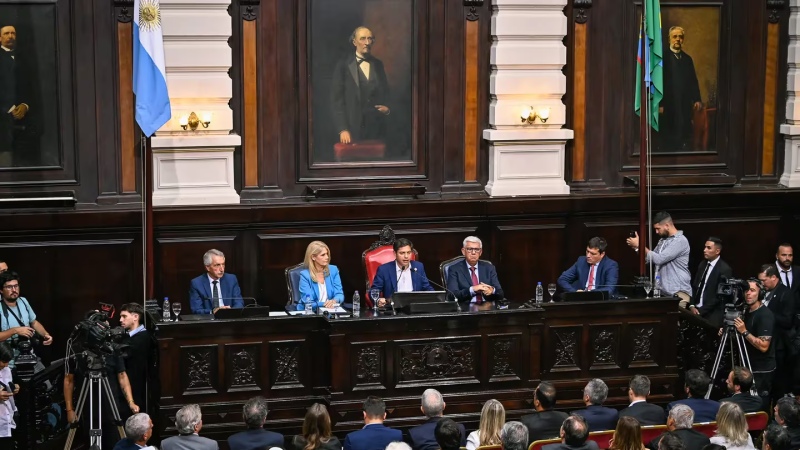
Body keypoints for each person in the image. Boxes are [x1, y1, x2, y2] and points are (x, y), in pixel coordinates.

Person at [64, 342, 140, 450]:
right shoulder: (76, 348)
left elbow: (122, 376)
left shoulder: (112, 348)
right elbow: (68, 380)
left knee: (113, 443)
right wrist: (69, 410)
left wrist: (131, 401)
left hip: (111, 408)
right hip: (87, 409)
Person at [331, 26, 391, 146]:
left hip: (376, 129)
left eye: (370, 39)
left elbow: (386, 93)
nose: (367, 43)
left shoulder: (378, 65)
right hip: (352, 130)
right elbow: (337, 100)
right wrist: (343, 129)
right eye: (363, 39)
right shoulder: (343, 65)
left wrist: (387, 109)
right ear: (354, 42)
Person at [728, 278, 775, 408]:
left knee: (759, 405)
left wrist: (744, 332)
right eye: (746, 290)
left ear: (760, 294)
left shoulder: (765, 315)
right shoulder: (745, 311)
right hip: (747, 366)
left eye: (752, 290)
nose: (748, 293)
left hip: (761, 370)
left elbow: (764, 346)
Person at [626, 211, 692, 301]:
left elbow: (659, 259)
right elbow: (648, 259)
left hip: (678, 293)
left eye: (658, 228)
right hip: (663, 292)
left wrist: (640, 245)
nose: (656, 232)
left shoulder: (680, 241)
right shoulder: (662, 240)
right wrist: (637, 248)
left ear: (667, 225)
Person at [659, 26, 702, 151]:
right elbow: (658, 83)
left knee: (684, 133)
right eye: (675, 36)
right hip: (668, 104)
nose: (678, 39)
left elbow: (693, 81)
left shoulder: (688, 59)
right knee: (668, 135)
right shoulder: (662, 58)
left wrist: (697, 99)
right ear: (669, 39)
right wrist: (660, 103)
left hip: (684, 103)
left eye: (680, 37)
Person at [0, 25, 36, 168]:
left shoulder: (26, 58)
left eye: (13, 33)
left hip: (25, 120)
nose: (10, 36)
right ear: (0, 38)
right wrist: (8, 108)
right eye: (7, 33)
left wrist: (25, 105)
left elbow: (33, 88)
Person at [0, 271, 53, 369]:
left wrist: (46, 335)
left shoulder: (23, 301)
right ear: (1, 290)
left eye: (16, 286)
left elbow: (34, 322)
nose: (14, 290)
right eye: (9, 287)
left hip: (29, 356)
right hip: (9, 363)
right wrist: (15, 331)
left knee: (45, 382)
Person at [758, 264, 795, 400]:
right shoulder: (762, 292)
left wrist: (767, 313)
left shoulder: (786, 294)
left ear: (773, 277)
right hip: (763, 344)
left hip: (779, 346)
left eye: (764, 280)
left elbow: (787, 320)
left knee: (778, 382)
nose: (761, 284)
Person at [119, 302, 158, 415]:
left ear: (135, 317)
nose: (121, 320)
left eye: (124, 316)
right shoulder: (127, 336)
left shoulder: (143, 338)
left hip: (137, 388)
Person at [371, 238, 433, 308]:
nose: (406, 256)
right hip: (393, 310)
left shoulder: (418, 267)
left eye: (408, 253)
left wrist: (434, 297)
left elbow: (427, 288)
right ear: (395, 253)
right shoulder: (384, 270)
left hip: (415, 309)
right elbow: (374, 291)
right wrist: (378, 300)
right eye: (402, 253)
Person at [445, 236, 504, 306]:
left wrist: (492, 290)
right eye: (470, 249)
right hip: (466, 310)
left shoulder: (489, 268)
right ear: (463, 251)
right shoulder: (454, 269)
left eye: (477, 249)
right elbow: (451, 295)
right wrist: (472, 289)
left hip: (487, 309)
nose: (473, 252)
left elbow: (500, 293)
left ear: (481, 252)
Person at [688, 237, 733, 326]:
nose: (704, 250)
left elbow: (719, 296)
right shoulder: (702, 264)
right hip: (696, 309)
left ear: (717, 251)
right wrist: (692, 305)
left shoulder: (725, 269)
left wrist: (702, 310)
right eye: (705, 247)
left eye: (709, 248)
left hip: (712, 313)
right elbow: (695, 286)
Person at [189, 249, 244, 314]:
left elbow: (239, 302)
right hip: (209, 321)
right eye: (217, 265)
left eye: (223, 264)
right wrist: (212, 312)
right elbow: (196, 309)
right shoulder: (197, 283)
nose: (222, 269)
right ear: (207, 267)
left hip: (229, 319)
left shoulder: (231, 279)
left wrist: (230, 311)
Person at [297, 241, 345, 311]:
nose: (327, 257)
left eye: (327, 254)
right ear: (313, 257)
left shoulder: (333, 270)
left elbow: (339, 294)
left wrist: (334, 301)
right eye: (323, 255)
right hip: (310, 312)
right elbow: (308, 302)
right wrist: (325, 304)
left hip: (330, 310)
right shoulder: (305, 275)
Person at [0, 343, 18, 447]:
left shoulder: (7, 370)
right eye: (3, 361)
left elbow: (8, 386)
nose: (6, 365)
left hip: (7, 420)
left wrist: (14, 388)